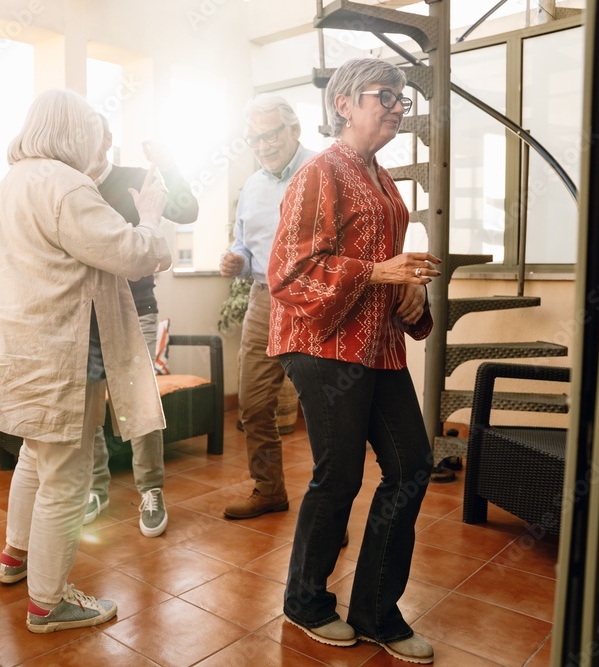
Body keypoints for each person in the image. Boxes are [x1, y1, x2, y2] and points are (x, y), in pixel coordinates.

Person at [0, 89, 171, 633]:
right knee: (68, 476)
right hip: (60, 355)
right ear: (69, 132)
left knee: (37, 458)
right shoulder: (65, 185)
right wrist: (151, 217)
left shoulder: (12, 181)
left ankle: (15, 557)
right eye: (89, 131)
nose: (96, 141)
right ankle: (48, 602)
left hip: (17, 351)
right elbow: (131, 254)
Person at [267, 58, 440, 664]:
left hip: (377, 343)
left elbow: (384, 271)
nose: (397, 106)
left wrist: (410, 290)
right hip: (321, 344)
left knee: (413, 464)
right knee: (339, 474)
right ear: (343, 103)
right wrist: (376, 272)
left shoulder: (384, 179)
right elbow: (287, 276)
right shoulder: (321, 171)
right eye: (384, 96)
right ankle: (306, 602)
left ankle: (374, 609)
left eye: (402, 99)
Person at [82, 116, 199, 537]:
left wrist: (168, 164)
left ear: (109, 141)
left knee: (140, 402)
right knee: (89, 404)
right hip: (84, 313)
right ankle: (95, 488)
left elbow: (188, 210)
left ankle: (151, 490)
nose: (85, 147)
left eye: (93, 138)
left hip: (136, 310)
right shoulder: (70, 186)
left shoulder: (137, 178)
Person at [219, 95, 314, 520]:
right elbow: (243, 244)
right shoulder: (253, 186)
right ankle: (269, 488)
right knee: (254, 403)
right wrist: (235, 260)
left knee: (324, 412)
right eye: (254, 138)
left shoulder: (323, 172)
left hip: (314, 301)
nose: (263, 144)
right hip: (263, 299)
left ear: (294, 129)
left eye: (271, 133)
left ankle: (325, 513)